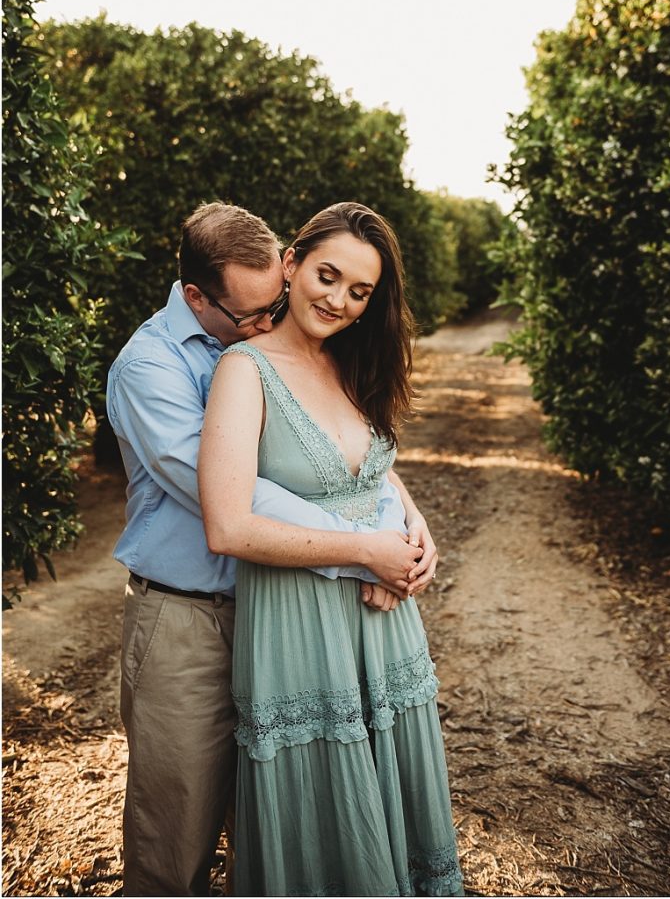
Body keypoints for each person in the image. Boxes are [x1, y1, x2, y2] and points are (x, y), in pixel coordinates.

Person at [106, 201, 440, 897]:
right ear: (197, 297)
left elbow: (335, 457)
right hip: (192, 619)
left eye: (273, 304)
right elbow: (235, 499)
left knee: (285, 826)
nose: (266, 322)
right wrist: (365, 549)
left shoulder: (309, 350)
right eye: (251, 315)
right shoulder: (150, 369)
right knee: (175, 837)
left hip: (289, 611)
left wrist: (406, 519)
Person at [199, 202, 464, 896]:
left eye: (360, 291)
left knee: (393, 803)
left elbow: (369, 473)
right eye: (327, 275)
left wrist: (414, 528)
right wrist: (367, 552)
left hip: (385, 623)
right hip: (299, 624)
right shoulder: (245, 370)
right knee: (326, 817)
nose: (339, 300)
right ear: (291, 264)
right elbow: (227, 526)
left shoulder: (352, 362)